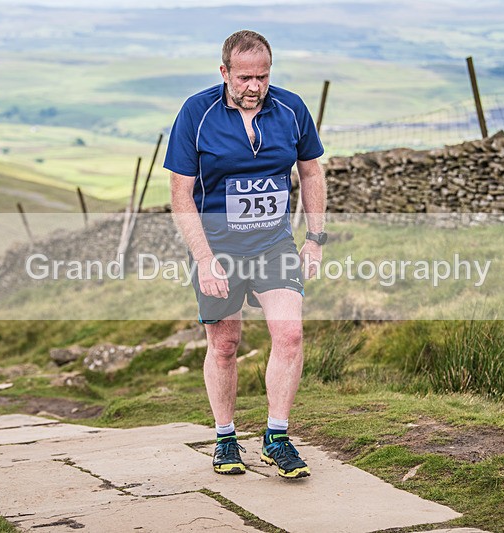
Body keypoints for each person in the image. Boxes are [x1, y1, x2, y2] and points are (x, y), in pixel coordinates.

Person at [164, 29, 327, 479]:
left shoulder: (291, 109)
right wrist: (203, 258)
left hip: (274, 243)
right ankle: (225, 437)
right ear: (225, 73)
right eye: (245, 77)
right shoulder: (197, 113)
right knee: (224, 345)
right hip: (218, 248)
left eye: (263, 76)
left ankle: (277, 437)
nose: (254, 86)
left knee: (290, 334)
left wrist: (314, 238)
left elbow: (311, 172)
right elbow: (181, 195)